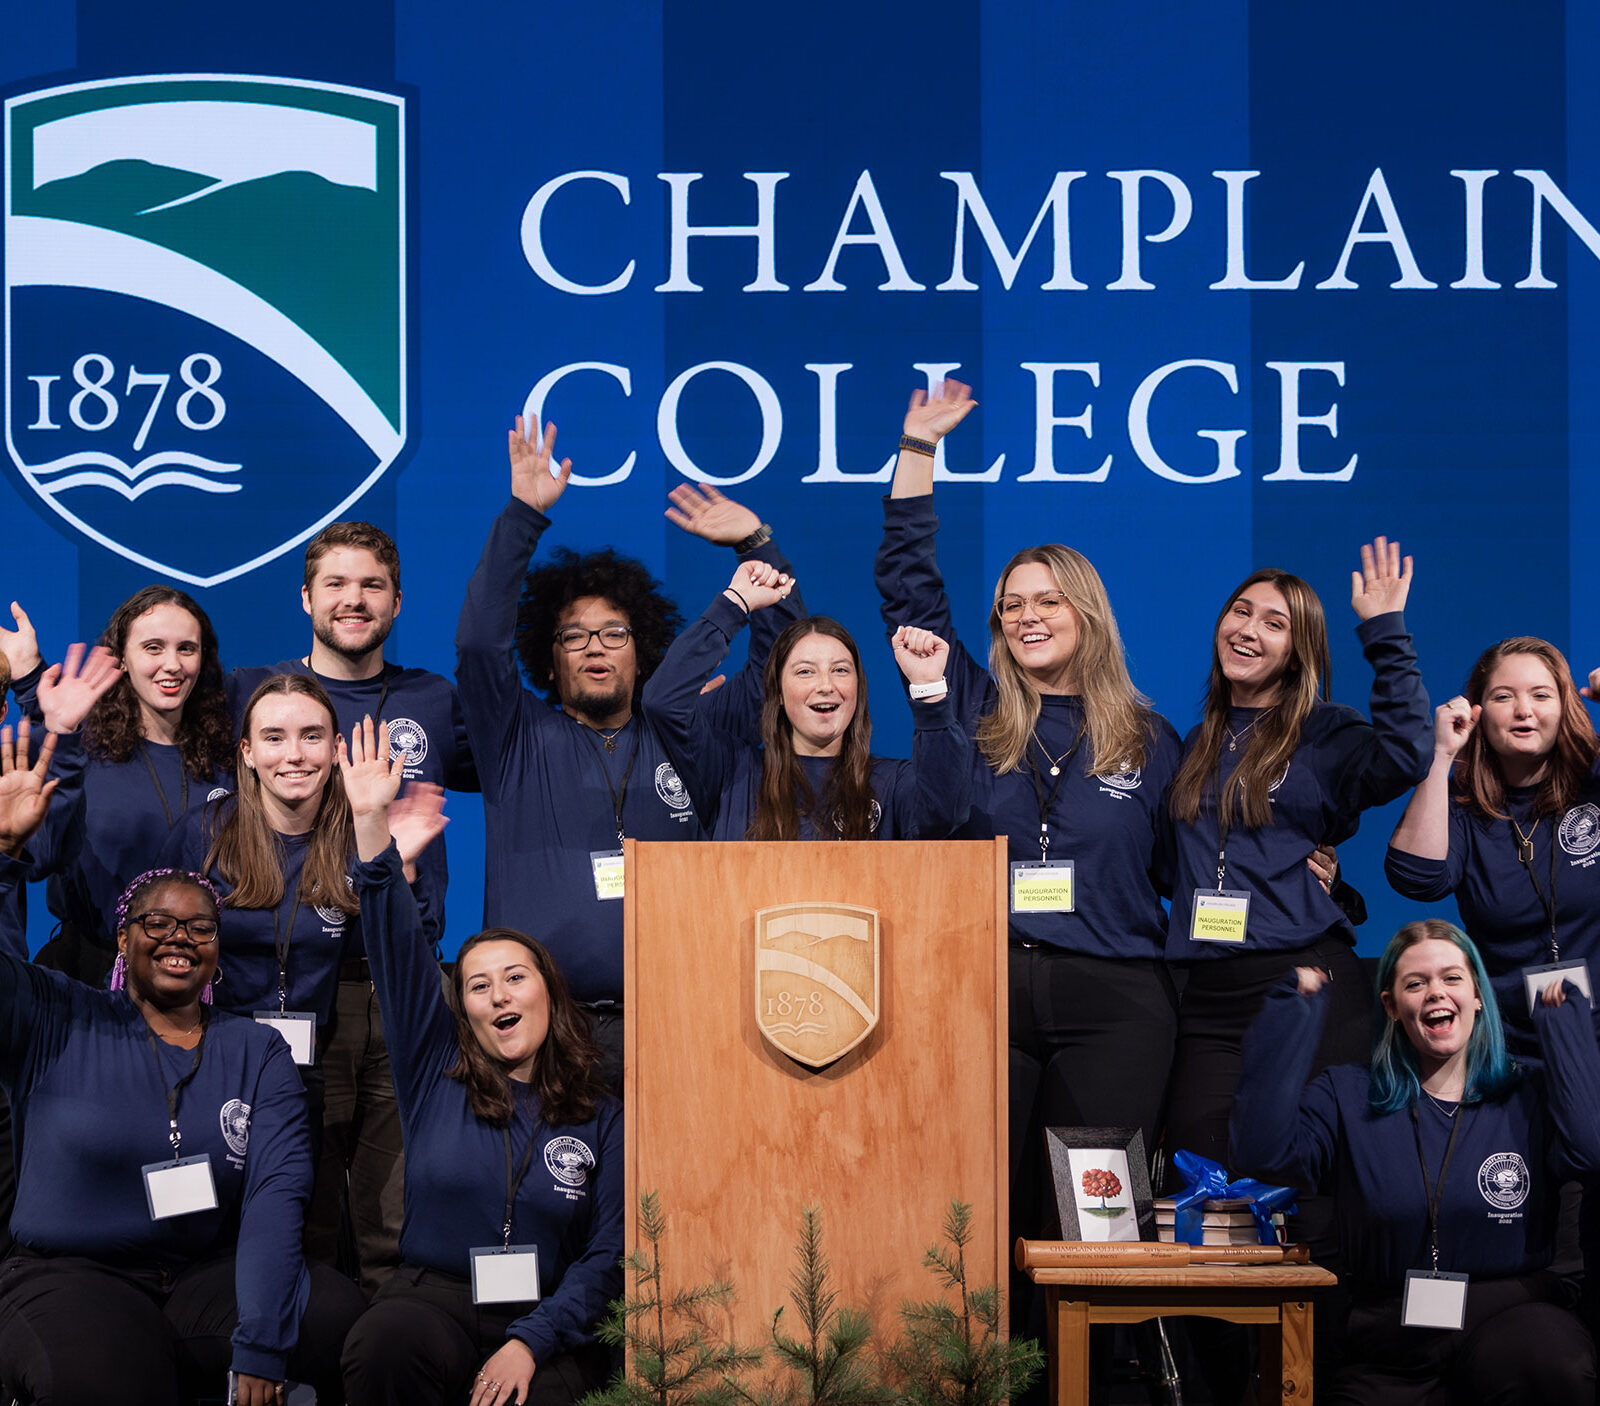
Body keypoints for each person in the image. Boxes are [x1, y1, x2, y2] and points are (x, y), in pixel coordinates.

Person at [0, 726, 364, 1403]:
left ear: (216, 951)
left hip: (201, 1275)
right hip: (76, 1274)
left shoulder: (255, 1051)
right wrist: (2, 853)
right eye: (156, 924)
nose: (178, 938)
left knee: (338, 1321)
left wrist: (261, 1337)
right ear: (123, 938)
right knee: (107, 1376)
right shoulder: (56, 1014)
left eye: (199, 927)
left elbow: (273, 1197)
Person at [456, 417, 804, 1088]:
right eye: (574, 637)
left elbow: (781, 661)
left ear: (644, 649)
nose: (594, 647)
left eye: (614, 634)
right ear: (547, 660)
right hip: (544, 1039)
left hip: (677, 1026)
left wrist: (758, 547)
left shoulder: (690, 729)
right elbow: (477, 643)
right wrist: (524, 516)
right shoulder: (514, 738)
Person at [338, 718, 621, 1406]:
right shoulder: (434, 1071)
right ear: (461, 1008)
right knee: (385, 1343)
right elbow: (399, 955)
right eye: (478, 984)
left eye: (516, 978)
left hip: (548, 1316)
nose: (499, 994)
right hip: (434, 1300)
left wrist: (533, 1339)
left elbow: (609, 1256)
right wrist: (372, 829)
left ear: (550, 995)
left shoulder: (602, 1113)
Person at [228, 520, 479, 1294]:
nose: (353, 599)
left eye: (371, 584)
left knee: (396, 1212)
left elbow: (534, 753)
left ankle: (386, 1362)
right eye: (335, 583)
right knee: (292, 1203)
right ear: (306, 597)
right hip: (290, 987)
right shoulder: (254, 696)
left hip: (404, 984)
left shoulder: (432, 699)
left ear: (398, 601)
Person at [1233, 920, 1600, 1404]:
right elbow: (1266, 1157)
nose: (1435, 993)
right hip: (1392, 1339)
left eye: (1452, 978)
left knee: (1554, 1366)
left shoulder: (1527, 1092)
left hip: (1511, 1317)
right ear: (1391, 1006)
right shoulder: (1346, 1094)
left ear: (1477, 997)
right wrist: (1291, 1017)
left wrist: (1565, 1028)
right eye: (1415, 983)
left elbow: (1589, 1150)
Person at [1163, 540, 1433, 1175]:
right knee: (1199, 1172)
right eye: (1240, 611)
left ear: (1297, 653)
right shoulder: (1198, 740)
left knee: (1300, 1179)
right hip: (1207, 992)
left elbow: (1406, 755)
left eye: (1274, 623)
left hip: (1302, 981)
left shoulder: (1325, 732)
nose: (1248, 629)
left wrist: (1384, 633)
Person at [641, 559, 970, 839]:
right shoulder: (729, 771)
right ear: (778, 694)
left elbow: (946, 812)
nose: (826, 685)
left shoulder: (891, 783)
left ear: (859, 688)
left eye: (840, 671)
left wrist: (929, 689)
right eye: (805, 672)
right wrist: (734, 604)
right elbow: (663, 701)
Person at [1386, 639, 1600, 1061]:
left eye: (1541, 695)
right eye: (1504, 696)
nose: (1524, 710)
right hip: (1511, 1047)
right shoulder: (1464, 806)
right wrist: (1442, 755)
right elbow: (1416, 878)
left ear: (1564, 707)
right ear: (1477, 712)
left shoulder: (1593, 780)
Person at [1, 593, 224, 984]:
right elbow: (38, 857)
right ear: (121, 656)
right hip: (89, 978)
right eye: (153, 648)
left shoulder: (230, 755)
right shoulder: (78, 745)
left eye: (186, 648)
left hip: (199, 982)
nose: (172, 664)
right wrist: (32, 682)